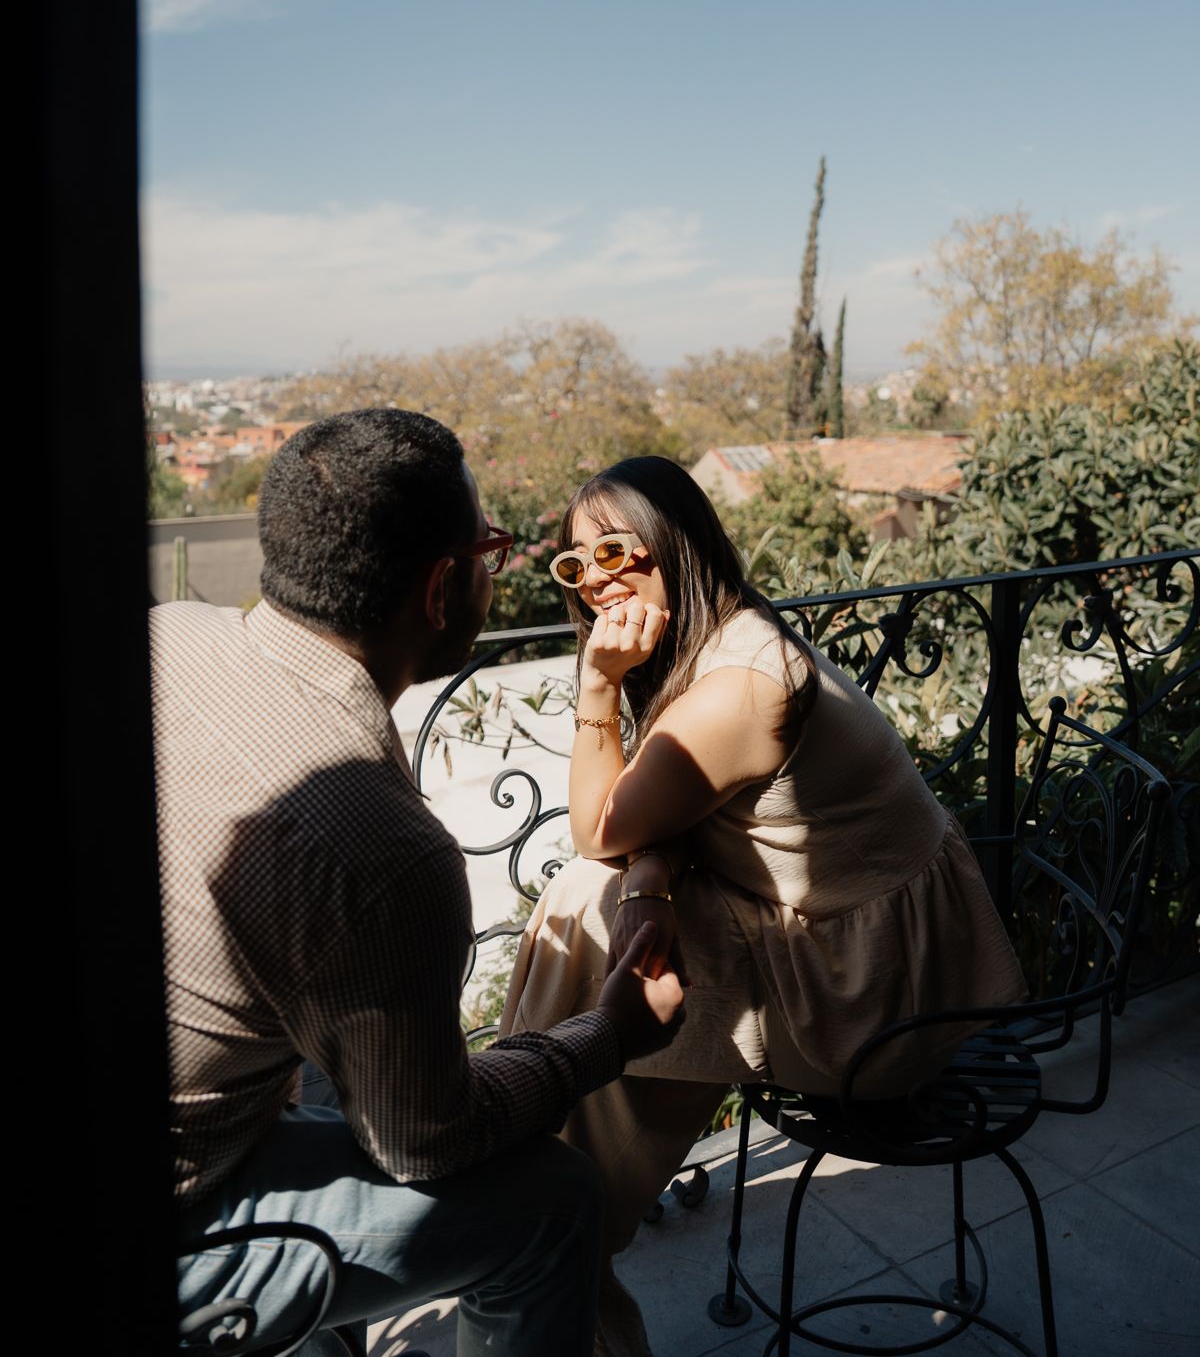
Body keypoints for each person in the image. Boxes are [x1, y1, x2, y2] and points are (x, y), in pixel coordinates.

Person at [158, 410, 685, 1357]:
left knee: (334, 1074)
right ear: (443, 588)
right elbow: (426, 1144)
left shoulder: (169, 635)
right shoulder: (381, 848)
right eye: (489, 550)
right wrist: (606, 1036)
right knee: (553, 1202)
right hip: (186, 1215)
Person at [500, 455, 1027, 1357]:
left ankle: (541, 1216)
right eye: (575, 564)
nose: (597, 581)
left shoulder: (740, 686)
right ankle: (544, 1204)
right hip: (853, 953)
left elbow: (599, 827)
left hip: (886, 1006)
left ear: (677, 544)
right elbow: (662, 821)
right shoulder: (726, 637)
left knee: (588, 902)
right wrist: (649, 884)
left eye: (617, 551)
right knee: (610, 910)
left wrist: (598, 687)